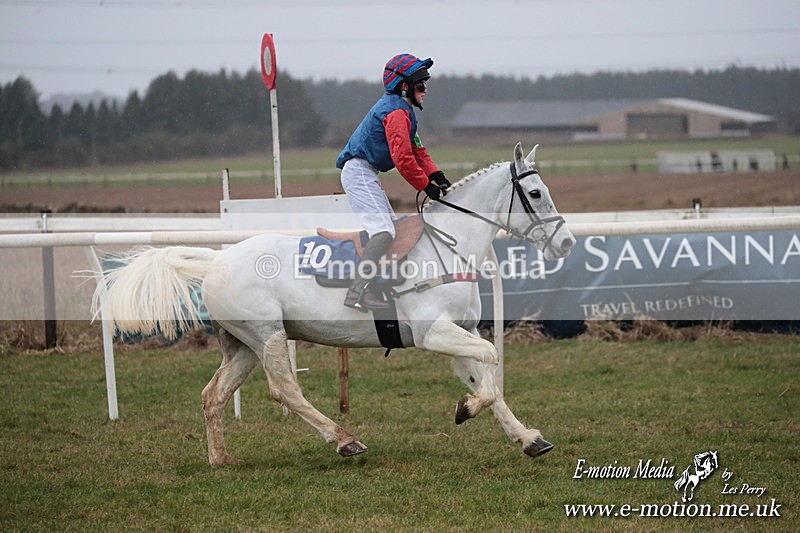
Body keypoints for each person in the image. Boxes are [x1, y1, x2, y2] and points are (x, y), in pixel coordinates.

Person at [336, 53, 451, 311]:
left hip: (366, 172)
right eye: (421, 84)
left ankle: (376, 285)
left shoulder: (403, 110)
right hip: (359, 172)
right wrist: (426, 186)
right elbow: (403, 159)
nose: (425, 89)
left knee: (393, 231)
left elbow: (418, 151)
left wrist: (436, 175)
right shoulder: (396, 112)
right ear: (404, 86)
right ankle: (357, 292)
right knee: (384, 232)